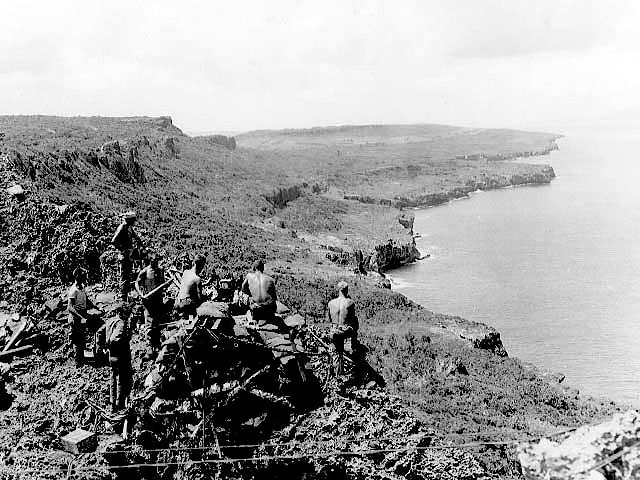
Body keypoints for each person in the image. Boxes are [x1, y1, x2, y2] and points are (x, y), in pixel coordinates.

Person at [135, 254, 166, 358]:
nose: (156, 264)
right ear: (150, 262)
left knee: (157, 323)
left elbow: (162, 282)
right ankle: (150, 348)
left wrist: (163, 288)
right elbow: (136, 283)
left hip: (158, 300)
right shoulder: (145, 271)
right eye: (154, 262)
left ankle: (157, 346)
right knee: (149, 324)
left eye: (157, 261)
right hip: (148, 300)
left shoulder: (160, 270)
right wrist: (141, 295)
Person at [326, 281, 359, 376]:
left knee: (336, 349)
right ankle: (354, 348)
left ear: (338, 290)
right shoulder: (350, 303)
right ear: (347, 290)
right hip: (344, 331)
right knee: (354, 323)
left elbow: (330, 319)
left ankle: (335, 370)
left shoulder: (331, 303)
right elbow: (352, 319)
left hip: (333, 329)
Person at [105, 303, 132, 413]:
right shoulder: (121, 323)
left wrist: (104, 346)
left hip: (111, 355)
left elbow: (100, 332)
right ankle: (119, 404)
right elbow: (115, 338)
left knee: (112, 377)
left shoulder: (110, 321)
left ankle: (112, 402)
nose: (127, 317)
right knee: (121, 379)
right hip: (119, 355)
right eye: (126, 314)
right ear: (121, 313)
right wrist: (112, 344)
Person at [111, 211, 144, 301]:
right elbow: (114, 241)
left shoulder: (129, 227)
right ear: (129, 220)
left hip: (129, 254)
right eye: (133, 219)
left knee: (128, 274)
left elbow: (136, 237)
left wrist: (142, 246)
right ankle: (122, 296)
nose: (134, 221)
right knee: (124, 275)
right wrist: (122, 249)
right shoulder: (122, 227)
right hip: (124, 255)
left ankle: (126, 294)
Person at [67, 268, 97, 366]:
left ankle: (82, 359)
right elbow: (70, 307)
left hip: (82, 314)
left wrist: (95, 306)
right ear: (78, 277)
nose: (85, 278)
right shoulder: (73, 290)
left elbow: (86, 300)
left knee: (82, 338)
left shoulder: (82, 287)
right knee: (77, 339)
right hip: (75, 317)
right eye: (83, 276)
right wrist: (81, 317)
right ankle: (78, 363)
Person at [176, 254, 207, 320]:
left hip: (178, 302)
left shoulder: (185, 272)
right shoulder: (197, 279)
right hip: (186, 304)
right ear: (201, 265)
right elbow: (199, 298)